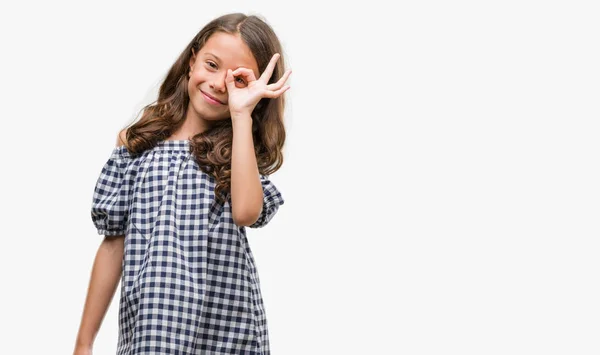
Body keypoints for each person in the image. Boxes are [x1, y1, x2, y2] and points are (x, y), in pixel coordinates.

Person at [73, 12, 291, 355]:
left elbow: (247, 212)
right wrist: (84, 342)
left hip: (226, 333)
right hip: (154, 327)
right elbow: (114, 243)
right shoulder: (136, 145)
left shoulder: (237, 152)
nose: (220, 83)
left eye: (238, 79)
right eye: (212, 64)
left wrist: (240, 115)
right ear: (192, 61)